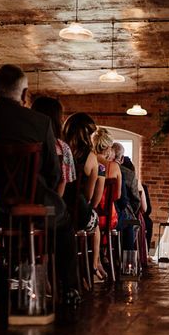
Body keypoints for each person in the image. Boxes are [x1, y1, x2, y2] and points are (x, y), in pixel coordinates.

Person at [0, 64, 80, 307]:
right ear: (24, 95)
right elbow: (54, 174)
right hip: (34, 205)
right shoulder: (41, 122)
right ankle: (69, 289)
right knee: (64, 224)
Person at [62, 112, 106, 283]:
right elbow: (89, 197)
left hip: (59, 211)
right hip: (78, 214)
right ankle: (93, 268)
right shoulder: (91, 157)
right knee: (95, 224)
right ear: (87, 134)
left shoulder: (60, 150)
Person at [31, 96, 76, 197]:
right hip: (48, 201)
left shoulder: (26, 141)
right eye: (62, 115)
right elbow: (63, 181)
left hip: (18, 199)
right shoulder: (63, 148)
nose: (63, 119)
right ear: (57, 118)